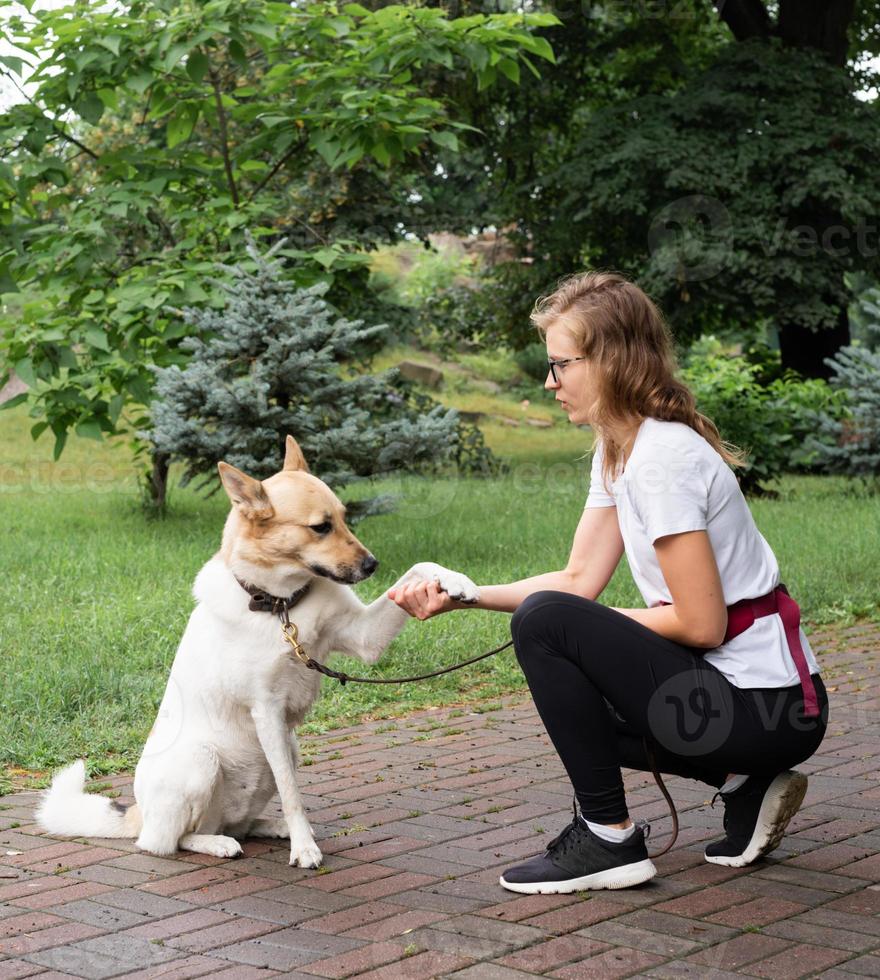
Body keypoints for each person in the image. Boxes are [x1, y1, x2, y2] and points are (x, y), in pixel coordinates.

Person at [387, 271, 828, 895]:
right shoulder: (619, 450)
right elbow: (578, 578)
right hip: (745, 707)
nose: (550, 382)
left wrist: (585, 633)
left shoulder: (661, 461)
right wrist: (465, 593)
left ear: (611, 362)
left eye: (561, 365)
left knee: (548, 623)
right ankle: (744, 786)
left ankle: (608, 836)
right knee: (561, 639)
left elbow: (701, 623)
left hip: (769, 710)